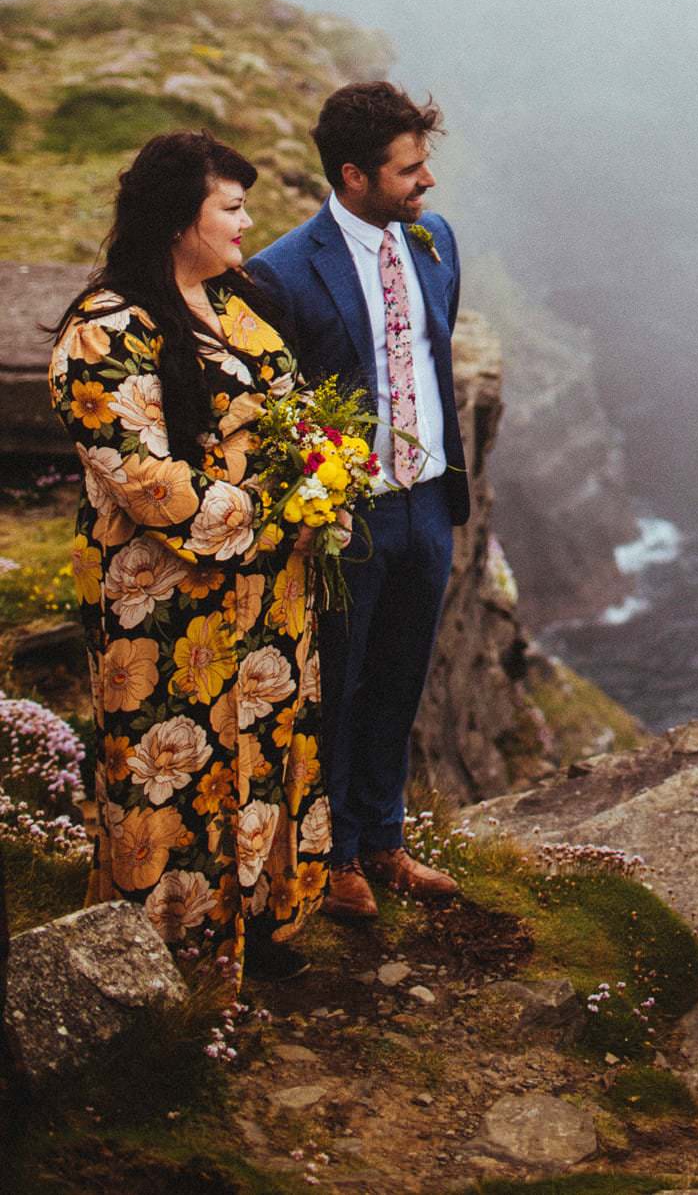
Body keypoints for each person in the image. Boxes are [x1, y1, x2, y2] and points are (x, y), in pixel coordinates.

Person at [50, 130, 327, 987]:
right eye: (232, 208)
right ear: (178, 219)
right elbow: (142, 476)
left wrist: (324, 470)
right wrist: (272, 513)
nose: (249, 224)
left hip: (268, 590)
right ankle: (169, 961)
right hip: (166, 599)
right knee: (172, 766)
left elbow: (289, 403)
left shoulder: (230, 301)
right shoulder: (102, 330)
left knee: (264, 746)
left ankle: (260, 925)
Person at [249, 82, 467, 924]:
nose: (428, 184)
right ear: (353, 174)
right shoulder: (280, 271)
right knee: (335, 685)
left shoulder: (436, 240)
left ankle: (385, 838)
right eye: (410, 169)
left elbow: (434, 353)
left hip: (429, 502)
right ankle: (332, 856)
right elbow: (282, 408)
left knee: (402, 677)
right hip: (351, 517)